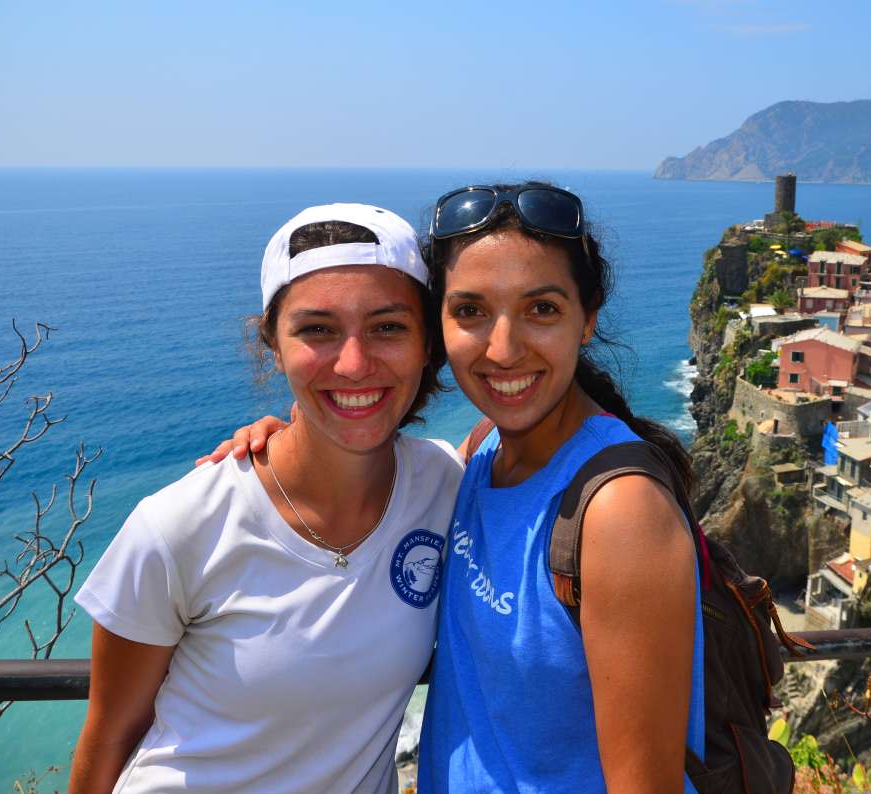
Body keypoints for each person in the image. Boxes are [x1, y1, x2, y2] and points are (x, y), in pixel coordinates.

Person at [211, 183, 706, 793]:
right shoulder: (483, 453)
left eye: (542, 309)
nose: (503, 349)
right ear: (438, 325)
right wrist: (288, 442)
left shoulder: (620, 511)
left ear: (589, 318)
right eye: (471, 311)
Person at [70, 204, 463, 793]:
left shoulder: (446, 485)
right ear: (272, 346)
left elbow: (543, 430)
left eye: (387, 326)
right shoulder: (181, 525)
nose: (354, 363)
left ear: (428, 343)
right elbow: (108, 737)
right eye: (317, 330)